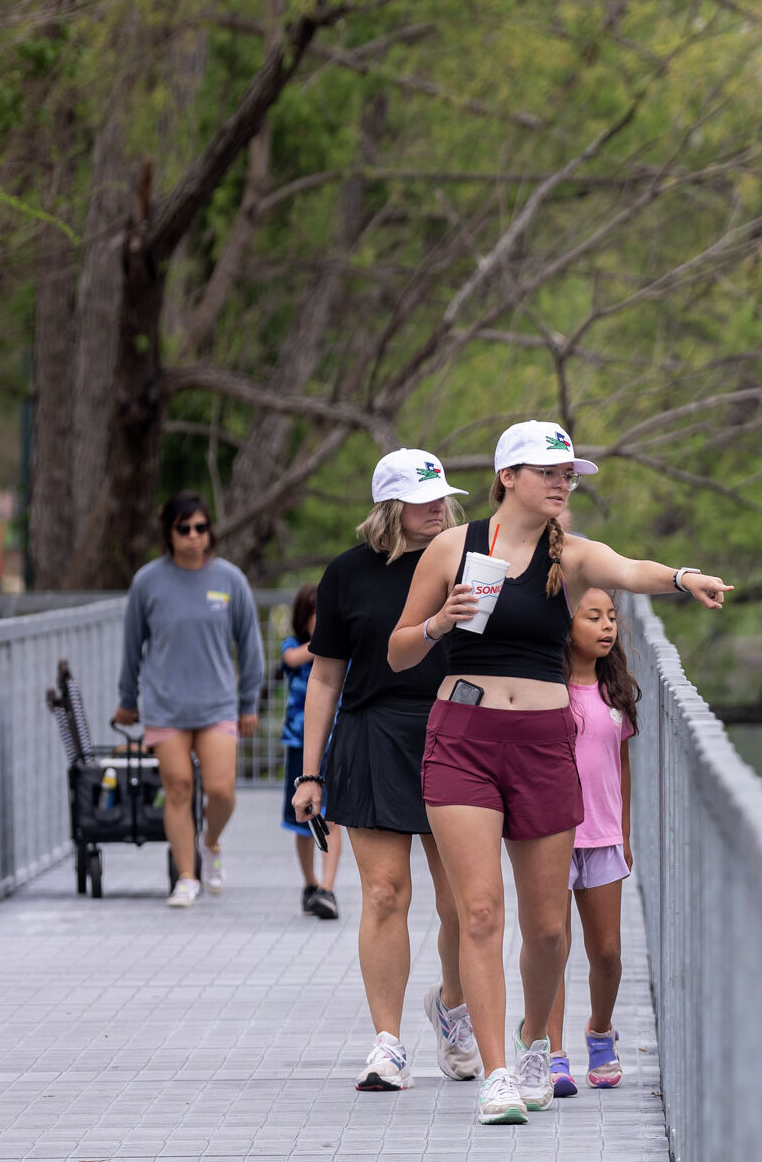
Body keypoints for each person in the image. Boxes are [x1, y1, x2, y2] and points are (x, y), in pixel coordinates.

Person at [386, 418, 731, 1126]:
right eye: (549, 471)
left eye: (568, 474)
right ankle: (496, 1076)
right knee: (481, 911)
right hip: (463, 737)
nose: (562, 483)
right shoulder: (453, 547)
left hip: (545, 744)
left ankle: (534, 1042)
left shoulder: (567, 556)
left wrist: (682, 578)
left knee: (548, 931)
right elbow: (396, 652)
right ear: (508, 477)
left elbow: (628, 569)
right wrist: (439, 623)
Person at [290, 449, 480, 1093]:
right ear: (390, 507)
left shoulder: (470, 563)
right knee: (384, 893)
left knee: (461, 901)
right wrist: (309, 774)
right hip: (372, 734)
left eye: (442, 498)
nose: (438, 509)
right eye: (423, 500)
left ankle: (453, 1008)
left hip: (454, 729)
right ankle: (388, 1045)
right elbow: (325, 677)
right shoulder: (347, 573)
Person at [114, 492, 263, 910]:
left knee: (221, 791)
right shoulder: (147, 582)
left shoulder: (230, 579)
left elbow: (250, 646)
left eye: (201, 527)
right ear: (169, 533)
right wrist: (127, 699)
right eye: (184, 528)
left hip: (217, 705)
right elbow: (132, 646)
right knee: (178, 788)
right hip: (165, 705)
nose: (194, 535)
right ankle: (186, 877)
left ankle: (210, 842)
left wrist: (248, 703)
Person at [540, 587, 638, 1095]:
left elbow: (621, 765)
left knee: (607, 951)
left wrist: (625, 832)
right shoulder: (545, 688)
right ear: (566, 624)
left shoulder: (615, 692)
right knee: (552, 947)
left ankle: (600, 1032)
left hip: (602, 836)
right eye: (593, 616)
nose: (607, 627)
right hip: (550, 835)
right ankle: (553, 1053)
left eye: (612, 617)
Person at [279, 584, 341, 918]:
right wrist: (326, 640)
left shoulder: (341, 651)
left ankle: (328, 888)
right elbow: (291, 658)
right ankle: (310, 883)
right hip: (298, 742)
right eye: (318, 614)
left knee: (333, 816)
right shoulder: (292, 646)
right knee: (301, 818)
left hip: (335, 743)